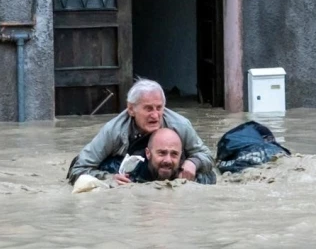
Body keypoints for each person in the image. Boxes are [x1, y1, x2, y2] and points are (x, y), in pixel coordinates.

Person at [67, 79, 216, 185]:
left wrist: (193, 163)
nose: (155, 115)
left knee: (206, 176)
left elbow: (207, 155)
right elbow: (79, 169)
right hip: (126, 168)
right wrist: (109, 179)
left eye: (159, 108)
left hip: (165, 169)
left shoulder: (180, 125)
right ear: (131, 109)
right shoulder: (113, 131)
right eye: (148, 109)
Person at [116, 128, 183, 184]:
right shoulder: (130, 169)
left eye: (174, 154)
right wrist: (113, 179)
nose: (168, 160)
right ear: (148, 153)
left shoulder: (187, 173)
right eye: (162, 153)